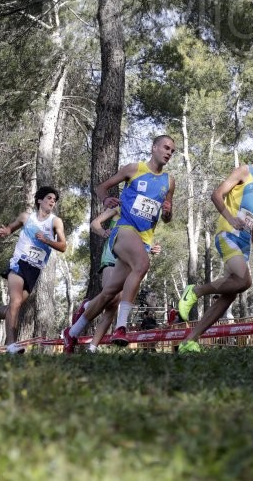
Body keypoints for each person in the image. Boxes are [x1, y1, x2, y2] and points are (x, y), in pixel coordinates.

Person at [63, 134, 175, 352]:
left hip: (144, 239)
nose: (169, 153)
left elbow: (167, 216)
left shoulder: (169, 182)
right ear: (153, 148)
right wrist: (105, 200)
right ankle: (121, 327)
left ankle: (73, 332)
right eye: (166, 148)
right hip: (123, 230)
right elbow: (101, 188)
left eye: (172, 151)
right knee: (142, 265)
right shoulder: (133, 169)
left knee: (109, 295)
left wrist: (168, 213)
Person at [176, 139, 253, 354]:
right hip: (228, 234)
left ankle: (190, 340)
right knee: (244, 280)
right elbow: (216, 194)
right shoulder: (244, 171)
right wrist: (230, 218)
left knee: (229, 294)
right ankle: (194, 291)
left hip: (244, 242)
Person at [0, 186, 67, 355]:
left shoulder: (56, 222)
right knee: (16, 302)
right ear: (39, 200)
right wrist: (5, 231)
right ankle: (12, 345)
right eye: (49, 198)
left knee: (14, 306)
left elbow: (63, 246)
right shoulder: (26, 217)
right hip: (19, 263)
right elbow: (10, 228)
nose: (52, 201)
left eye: (54, 200)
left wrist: (47, 240)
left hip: (35, 270)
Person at [86, 205, 162, 352]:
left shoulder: (145, 213)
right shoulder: (120, 207)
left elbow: (141, 241)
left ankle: (92, 348)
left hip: (127, 261)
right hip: (111, 257)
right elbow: (95, 223)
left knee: (112, 306)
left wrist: (151, 248)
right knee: (111, 298)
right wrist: (103, 232)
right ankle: (86, 309)